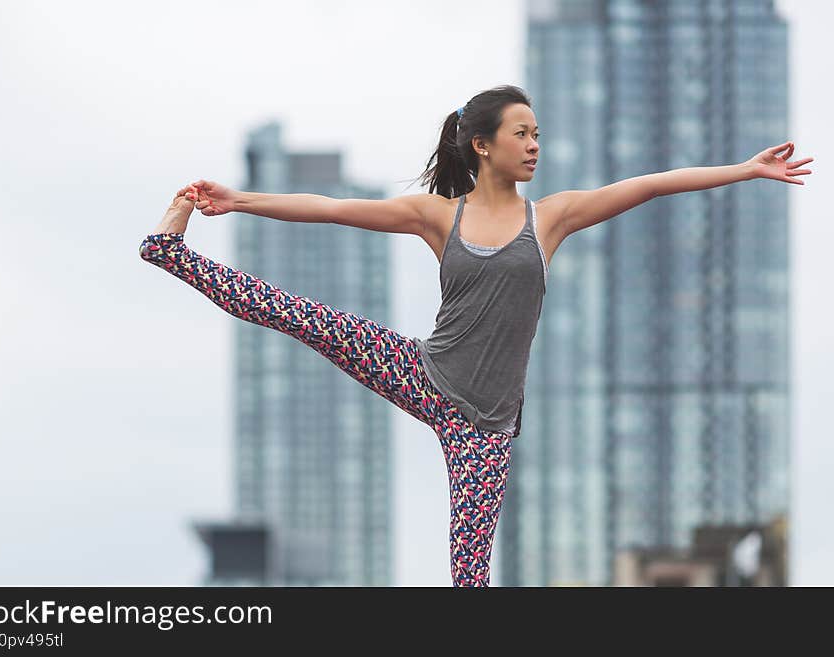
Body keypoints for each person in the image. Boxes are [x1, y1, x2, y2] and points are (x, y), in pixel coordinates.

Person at [140, 84, 812, 587]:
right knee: (294, 312)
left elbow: (648, 186)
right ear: (484, 144)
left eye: (539, 133)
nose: (535, 144)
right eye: (523, 133)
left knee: (470, 573)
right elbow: (333, 207)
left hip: (483, 429)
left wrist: (744, 169)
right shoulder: (439, 216)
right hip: (423, 373)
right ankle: (171, 252)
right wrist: (240, 200)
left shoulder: (551, 218)